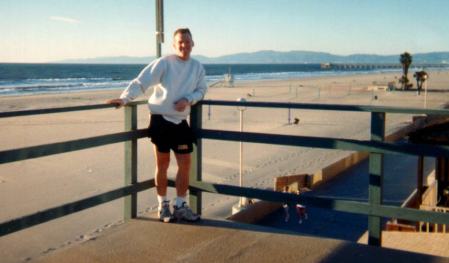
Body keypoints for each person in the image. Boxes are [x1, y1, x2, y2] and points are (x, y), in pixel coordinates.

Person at [107, 28, 208, 223]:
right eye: (180, 42)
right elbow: (142, 81)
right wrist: (124, 98)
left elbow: (202, 90)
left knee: (185, 164)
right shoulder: (164, 63)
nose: (184, 45)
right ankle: (163, 206)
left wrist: (189, 99)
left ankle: (180, 206)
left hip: (180, 122)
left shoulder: (197, 67)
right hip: (160, 120)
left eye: (187, 42)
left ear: (193, 43)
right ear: (174, 44)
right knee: (162, 164)